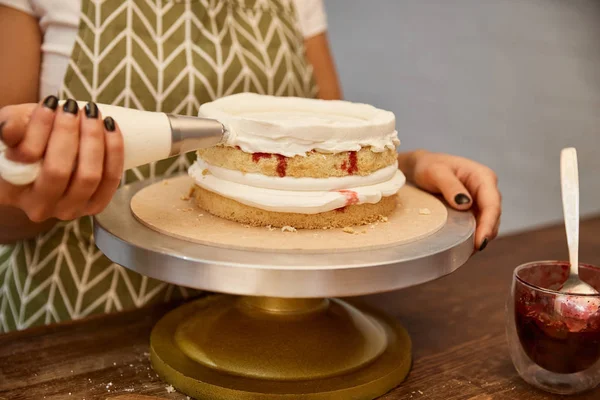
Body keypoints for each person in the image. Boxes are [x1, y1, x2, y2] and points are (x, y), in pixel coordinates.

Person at [0, 0, 501, 332]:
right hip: (85, 318)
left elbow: (326, 149)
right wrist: (27, 192)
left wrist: (406, 169)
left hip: (280, 321)